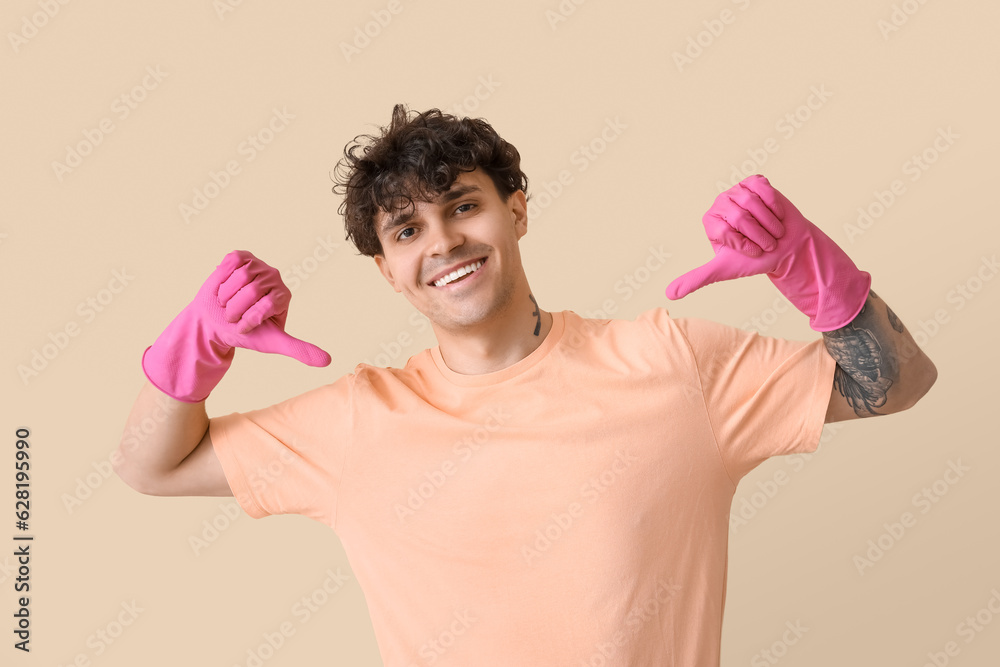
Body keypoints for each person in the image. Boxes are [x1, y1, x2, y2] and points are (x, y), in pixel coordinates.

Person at [114, 104, 937, 666]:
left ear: (516, 210)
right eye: (407, 229)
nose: (442, 241)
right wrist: (198, 345)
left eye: (463, 206)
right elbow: (152, 466)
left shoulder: (671, 363)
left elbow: (898, 382)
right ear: (387, 270)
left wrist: (806, 264)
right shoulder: (357, 422)